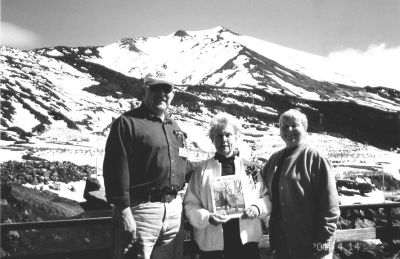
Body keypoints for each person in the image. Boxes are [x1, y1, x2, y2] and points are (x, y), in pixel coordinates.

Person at [103, 73, 193, 259]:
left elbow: (183, 165)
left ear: (172, 94)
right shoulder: (127, 123)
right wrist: (123, 211)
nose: (161, 93)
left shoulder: (174, 126)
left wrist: (210, 168)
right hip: (142, 211)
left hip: (174, 210)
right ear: (144, 91)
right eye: (155, 88)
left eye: (166, 89)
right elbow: (114, 169)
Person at [184, 113, 271, 259]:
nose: (223, 139)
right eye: (218, 136)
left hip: (246, 241)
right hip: (213, 244)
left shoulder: (251, 169)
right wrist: (207, 217)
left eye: (228, 135)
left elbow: (266, 198)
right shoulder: (202, 170)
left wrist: (257, 208)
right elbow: (190, 205)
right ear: (212, 139)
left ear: (236, 137)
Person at [262, 109, 340, 259]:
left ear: (304, 129)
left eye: (294, 125)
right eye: (284, 126)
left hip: (310, 242)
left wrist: (323, 238)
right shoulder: (274, 159)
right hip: (281, 242)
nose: (289, 130)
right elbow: (260, 189)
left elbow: (330, 202)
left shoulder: (315, 158)